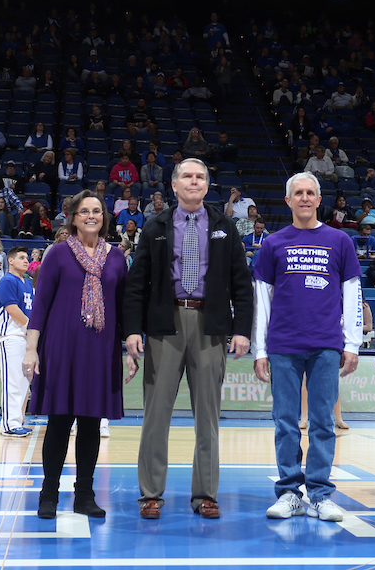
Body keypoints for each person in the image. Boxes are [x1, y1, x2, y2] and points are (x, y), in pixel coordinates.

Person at [123, 157, 253, 520]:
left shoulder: (226, 226)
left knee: (208, 416)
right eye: (187, 177)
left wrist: (241, 329)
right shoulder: (155, 226)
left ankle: (205, 494)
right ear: (175, 185)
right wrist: (132, 329)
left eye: (200, 177)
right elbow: (137, 284)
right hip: (165, 323)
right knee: (156, 414)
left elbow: (242, 283)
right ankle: (150, 493)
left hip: (211, 324)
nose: (193, 182)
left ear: (207, 185)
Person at [252, 172, 362, 522]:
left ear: (318, 199)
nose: (303, 197)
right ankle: (288, 492)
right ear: (288, 200)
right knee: (285, 421)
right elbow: (261, 301)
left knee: (322, 423)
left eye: (310, 192)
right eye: (297, 193)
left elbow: (351, 294)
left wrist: (353, 343)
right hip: (283, 344)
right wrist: (260, 350)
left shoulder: (340, 240)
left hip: (326, 345)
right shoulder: (272, 243)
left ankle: (319, 493)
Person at [22, 191, 126, 520]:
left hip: (100, 349)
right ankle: (48, 493)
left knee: (92, 425)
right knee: (59, 423)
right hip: (61, 348)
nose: (91, 216)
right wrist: (30, 348)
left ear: (104, 217)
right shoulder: (57, 254)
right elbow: (40, 306)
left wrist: (132, 348)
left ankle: (84, 495)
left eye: (97, 211)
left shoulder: (117, 258)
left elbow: (123, 309)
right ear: (74, 217)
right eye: (84, 211)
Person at [0, 247, 36, 437]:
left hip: (23, 336)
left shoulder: (27, 283)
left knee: (23, 382)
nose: (26, 261)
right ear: (10, 261)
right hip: (9, 335)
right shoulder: (7, 280)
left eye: (27, 258)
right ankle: (9, 424)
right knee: (12, 381)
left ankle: (18, 422)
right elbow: (12, 309)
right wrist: (31, 328)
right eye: (21, 258)